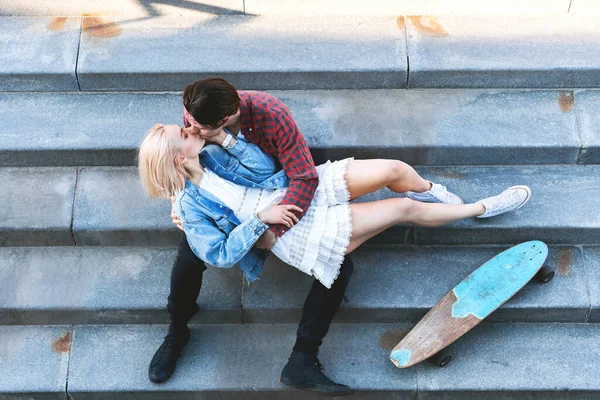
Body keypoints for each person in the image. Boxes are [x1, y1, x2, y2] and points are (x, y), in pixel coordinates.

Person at [138, 86, 531, 395]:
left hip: (291, 194)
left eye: (191, 123)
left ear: (224, 115)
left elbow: (263, 169)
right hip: (280, 227)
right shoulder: (192, 194)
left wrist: (223, 140)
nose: (188, 126)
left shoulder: (217, 146)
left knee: (388, 195)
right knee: (391, 216)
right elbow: (218, 250)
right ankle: (483, 208)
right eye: (185, 128)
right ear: (177, 156)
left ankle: (438, 196)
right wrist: (257, 222)